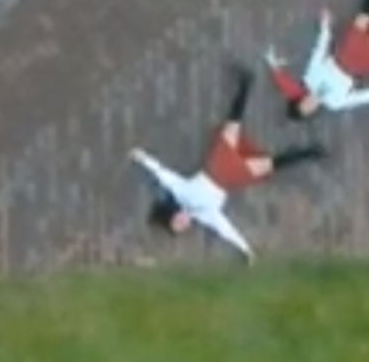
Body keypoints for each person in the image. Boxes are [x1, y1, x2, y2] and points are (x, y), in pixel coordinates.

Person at [129, 67, 325, 261]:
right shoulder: (204, 216)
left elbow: (164, 175)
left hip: (218, 166)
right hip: (230, 177)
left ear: (173, 214)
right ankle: (310, 152)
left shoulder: (182, 194)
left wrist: (143, 158)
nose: (183, 223)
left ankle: (246, 85)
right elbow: (226, 229)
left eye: (177, 222)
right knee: (268, 162)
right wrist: (246, 249)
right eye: (182, 227)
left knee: (234, 125)